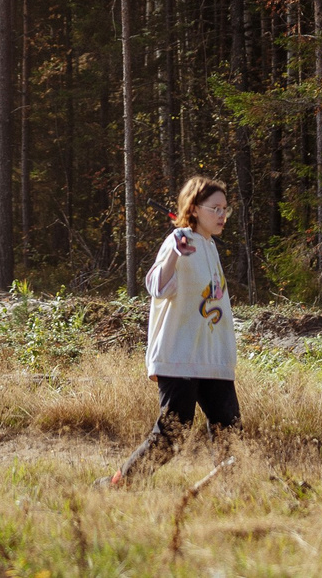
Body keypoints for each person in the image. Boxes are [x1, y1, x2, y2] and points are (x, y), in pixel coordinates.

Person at [106, 174, 237, 486]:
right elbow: (156, 286)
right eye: (215, 209)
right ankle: (120, 485)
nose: (221, 215)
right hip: (180, 357)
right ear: (194, 209)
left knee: (230, 432)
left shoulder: (210, 247)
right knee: (172, 435)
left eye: (225, 209)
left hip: (212, 360)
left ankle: (235, 495)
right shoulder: (177, 242)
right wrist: (176, 253)